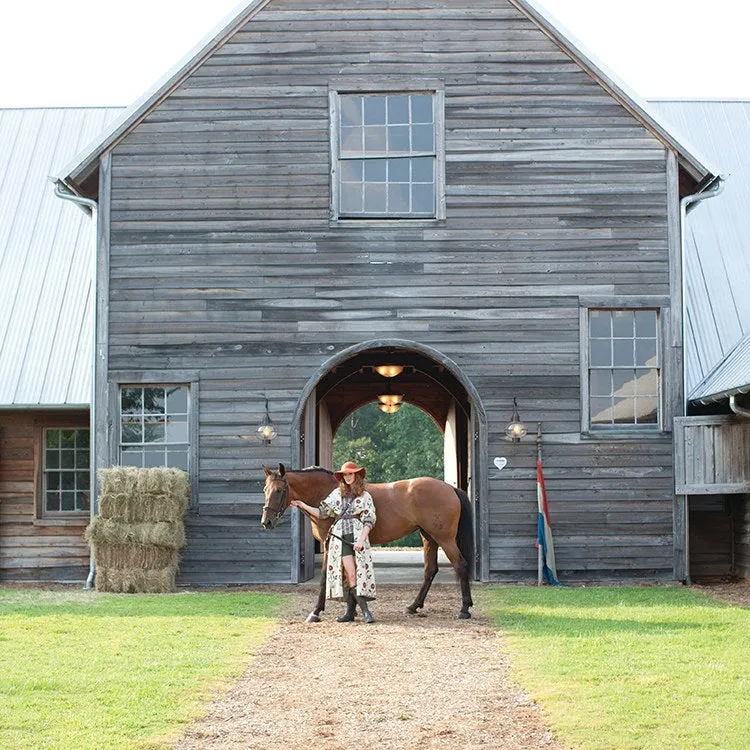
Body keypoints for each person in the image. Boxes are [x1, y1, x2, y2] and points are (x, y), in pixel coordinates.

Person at [291, 460, 377, 623]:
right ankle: (366, 613)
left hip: (358, 538)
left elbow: (369, 521)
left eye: (350, 474)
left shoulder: (365, 496)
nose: (348, 477)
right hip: (342, 539)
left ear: (356, 475)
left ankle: (353, 612)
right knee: (350, 574)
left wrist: (361, 540)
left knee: (359, 574)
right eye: (345, 475)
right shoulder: (336, 495)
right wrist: (302, 505)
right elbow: (322, 513)